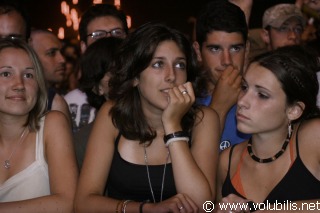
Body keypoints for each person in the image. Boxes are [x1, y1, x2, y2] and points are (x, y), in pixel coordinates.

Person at [74, 22, 220, 212]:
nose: (171, 76)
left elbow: (202, 206)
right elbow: (83, 203)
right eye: (158, 64)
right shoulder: (113, 115)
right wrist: (145, 209)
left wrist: (173, 126)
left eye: (179, 65)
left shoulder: (204, 119)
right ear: (135, 76)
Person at [215, 45, 320, 213]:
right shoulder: (228, 160)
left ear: (294, 110)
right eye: (244, 87)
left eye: (262, 95)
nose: (242, 102)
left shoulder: (313, 137)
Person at [0, 39, 78, 212]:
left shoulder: (52, 124)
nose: (19, 85)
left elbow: (68, 203)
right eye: (6, 74)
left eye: (28, 75)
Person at [193, 0, 251, 151]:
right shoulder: (184, 106)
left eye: (235, 48)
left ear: (247, 49)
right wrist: (218, 108)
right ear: (198, 52)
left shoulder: (263, 101)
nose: (227, 61)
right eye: (215, 49)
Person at [72, 36, 123, 168]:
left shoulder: (159, 125)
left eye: (128, 69)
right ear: (97, 87)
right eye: (114, 72)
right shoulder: (84, 141)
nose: (124, 78)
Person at [28, 29, 71, 123]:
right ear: (31, 57)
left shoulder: (56, 101)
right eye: (51, 53)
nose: (62, 60)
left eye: (61, 52)